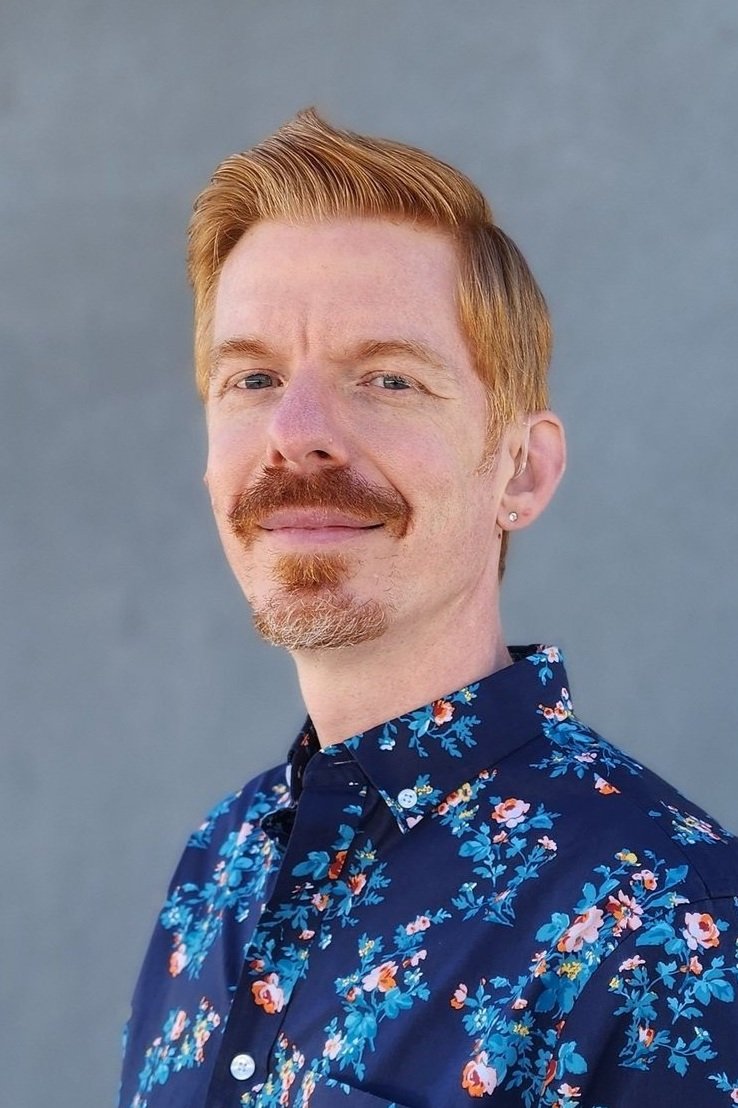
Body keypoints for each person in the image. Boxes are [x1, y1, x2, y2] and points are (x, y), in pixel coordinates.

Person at [119, 111, 738, 1108]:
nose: (296, 432)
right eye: (254, 378)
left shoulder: (669, 920)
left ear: (521, 471)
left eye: (388, 379)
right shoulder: (219, 863)